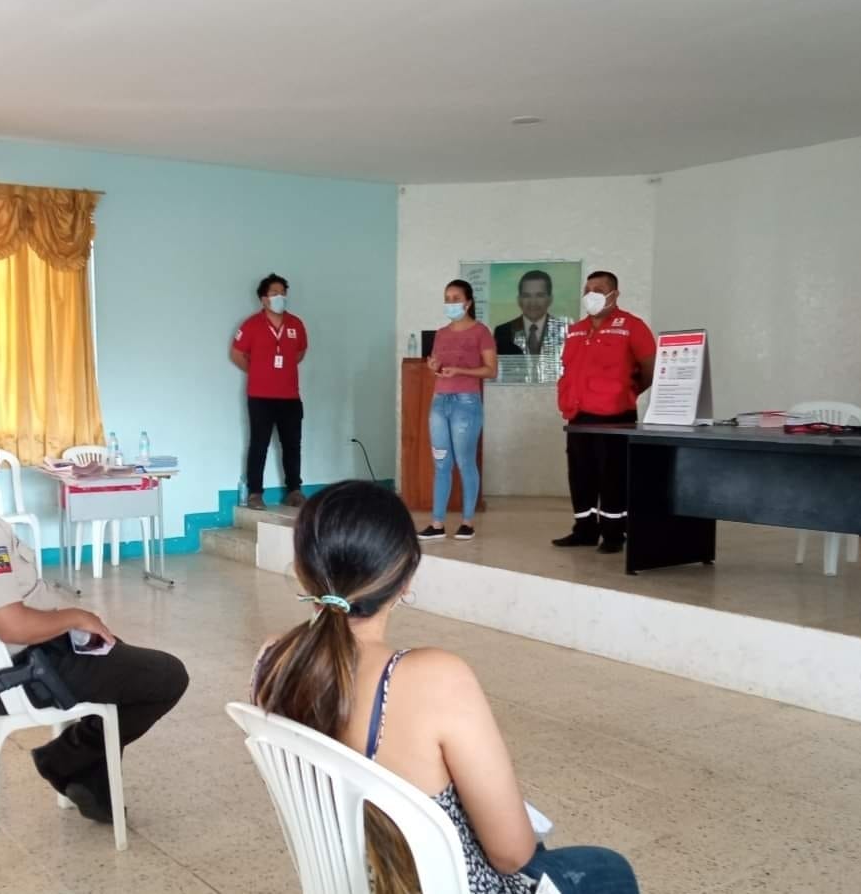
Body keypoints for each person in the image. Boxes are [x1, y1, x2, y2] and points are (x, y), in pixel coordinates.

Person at [252, 480, 639, 894]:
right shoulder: (433, 678)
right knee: (608, 868)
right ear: (405, 579)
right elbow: (511, 855)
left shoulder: (272, 661)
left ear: (301, 571)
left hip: (357, 881)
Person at [0, 410, 189, 824]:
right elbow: (11, 626)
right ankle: (63, 758)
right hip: (15, 675)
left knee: (118, 659)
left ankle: (89, 779)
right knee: (165, 675)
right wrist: (75, 616)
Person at [553, 271, 656, 554]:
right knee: (580, 475)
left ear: (614, 294)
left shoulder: (632, 326)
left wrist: (628, 392)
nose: (591, 295)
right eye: (587, 289)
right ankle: (585, 530)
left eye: (598, 289)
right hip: (578, 414)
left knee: (612, 476)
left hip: (615, 416)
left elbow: (650, 368)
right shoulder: (576, 329)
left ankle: (614, 533)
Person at [419, 280, 497, 541]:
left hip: (466, 403)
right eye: (447, 298)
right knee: (441, 463)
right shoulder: (441, 333)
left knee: (465, 461)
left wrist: (461, 371)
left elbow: (491, 370)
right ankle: (437, 523)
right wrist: (433, 366)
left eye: (456, 298)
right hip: (439, 401)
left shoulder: (481, 332)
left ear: (468, 302)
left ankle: (467, 522)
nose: (450, 303)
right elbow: (437, 363)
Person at [230, 272, 309, 511]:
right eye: (274, 293)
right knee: (259, 445)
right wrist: (258, 371)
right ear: (264, 299)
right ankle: (255, 493)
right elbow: (237, 354)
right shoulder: (251, 325)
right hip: (260, 397)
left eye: (283, 293)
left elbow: (300, 353)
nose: (280, 297)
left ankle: (294, 491)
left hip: (290, 396)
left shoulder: (296, 324)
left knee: (292, 445)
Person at [493, 270, 570, 365]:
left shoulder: (565, 330)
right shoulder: (503, 332)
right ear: (519, 300)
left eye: (540, 295)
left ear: (550, 299)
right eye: (526, 296)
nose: (533, 302)